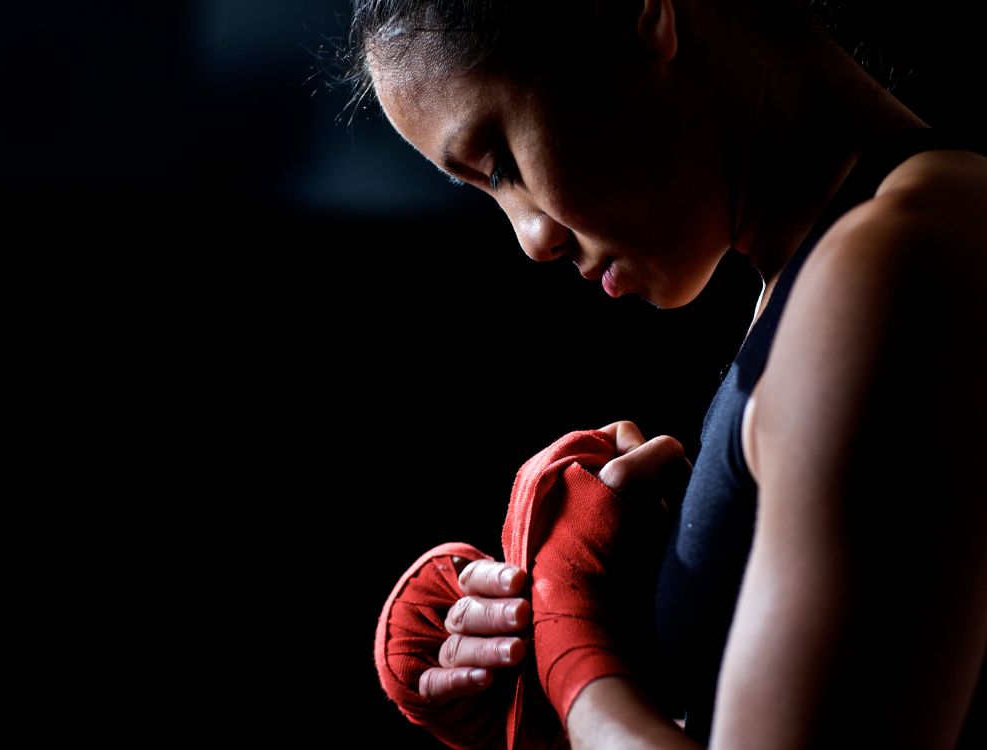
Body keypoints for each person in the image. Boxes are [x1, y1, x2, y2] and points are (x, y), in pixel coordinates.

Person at [352, 0, 987, 747]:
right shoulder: (833, 272)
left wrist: (570, 647)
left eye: (503, 165)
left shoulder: (892, 269)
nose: (531, 238)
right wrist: (605, 629)